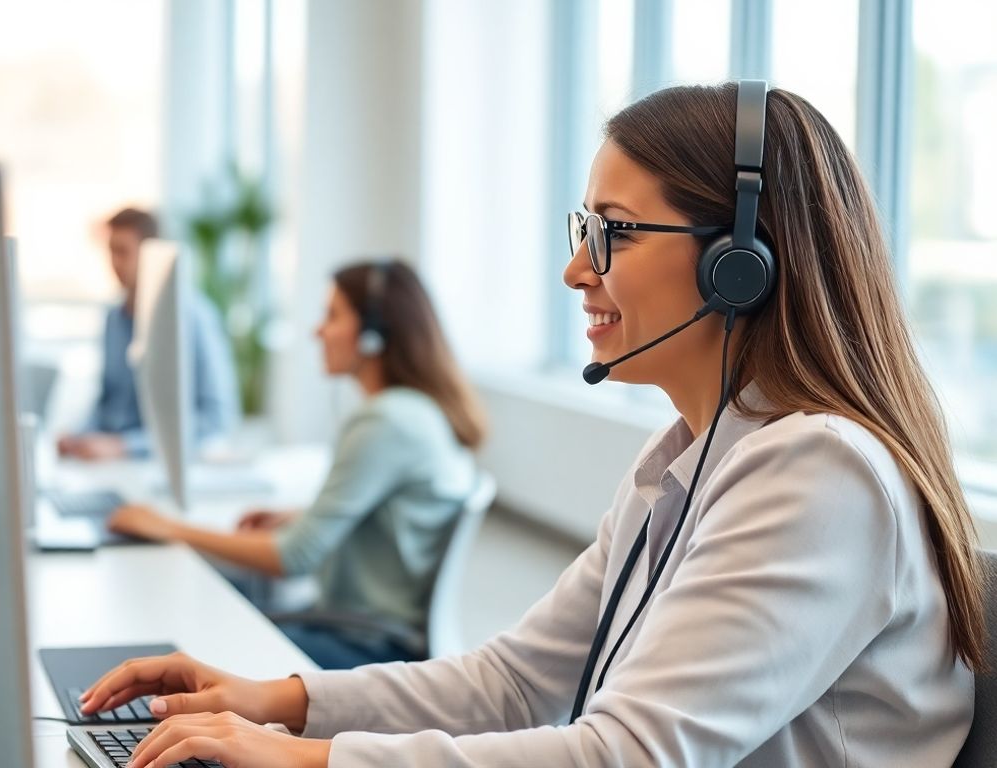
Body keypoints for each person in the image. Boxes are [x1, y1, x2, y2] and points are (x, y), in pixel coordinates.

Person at [77, 83, 982, 767]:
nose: (575, 271)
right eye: (582, 227)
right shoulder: (691, 456)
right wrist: (273, 701)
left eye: (614, 233)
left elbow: (624, 753)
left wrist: (304, 757)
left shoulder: (822, 474)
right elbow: (515, 681)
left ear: (738, 265)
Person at [107, 259, 487, 669]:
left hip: (367, 649)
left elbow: (293, 558)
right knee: (219, 603)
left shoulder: (385, 422)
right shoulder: (416, 412)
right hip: (369, 630)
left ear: (374, 335)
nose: (316, 331)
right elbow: (387, 514)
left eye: (332, 315)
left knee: (196, 643)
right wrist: (305, 516)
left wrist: (168, 528)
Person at [57, 207, 239, 460]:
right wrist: (78, 436)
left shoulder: (194, 317)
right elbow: (108, 402)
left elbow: (215, 419)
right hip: (111, 463)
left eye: (123, 252)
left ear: (149, 256)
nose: (114, 263)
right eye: (110, 251)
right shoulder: (114, 317)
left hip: (156, 462)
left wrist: (125, 446)